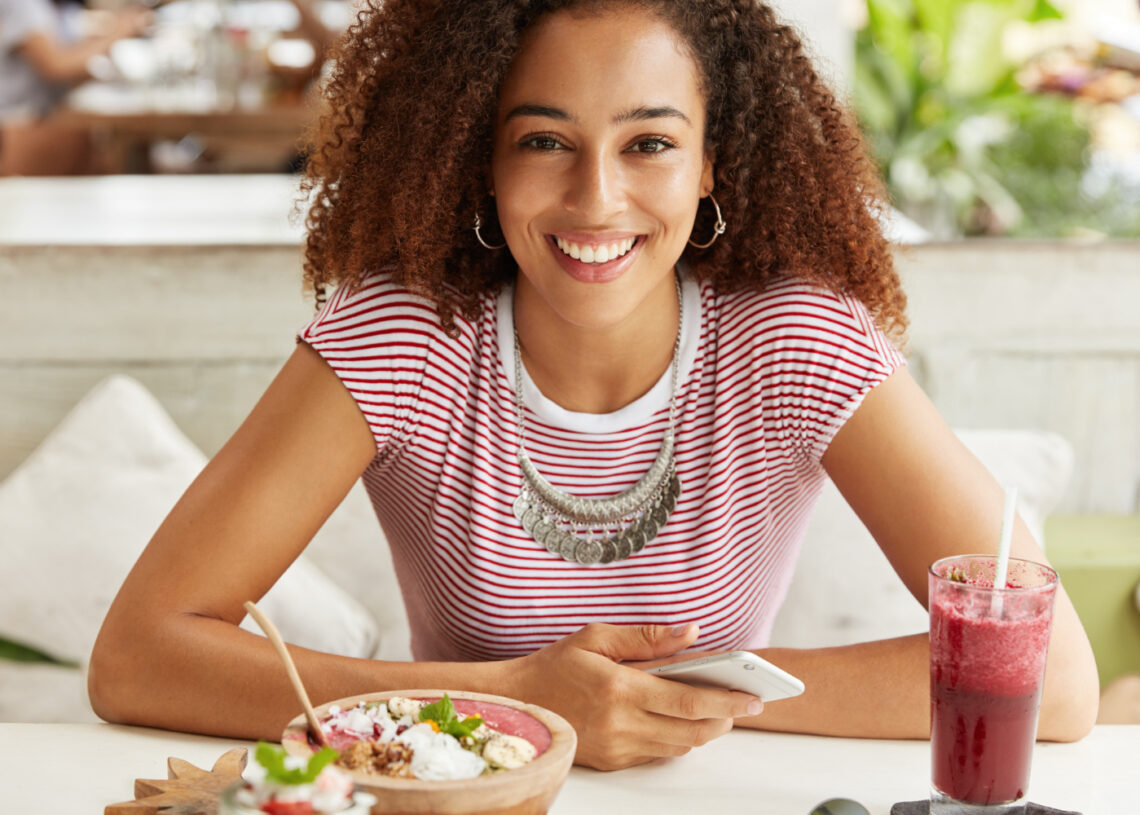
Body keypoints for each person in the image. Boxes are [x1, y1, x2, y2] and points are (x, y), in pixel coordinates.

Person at [88, 0, 1099, 771]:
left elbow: (1051, 677)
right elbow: (137, 655)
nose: (596, 197)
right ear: (481, 158)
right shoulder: (404, 335)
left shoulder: (794, 338)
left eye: (649, 143)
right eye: (544, 141)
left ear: (711, 163)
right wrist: (508, 700)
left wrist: (666, 702)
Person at [0, 0, 150, 174]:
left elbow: (74, 63)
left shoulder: (65, 8)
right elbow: (56, 67)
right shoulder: (23, 4)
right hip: (21, 124)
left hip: (51, 119)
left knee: (105, 150)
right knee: (101, 152)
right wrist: (118, 33)